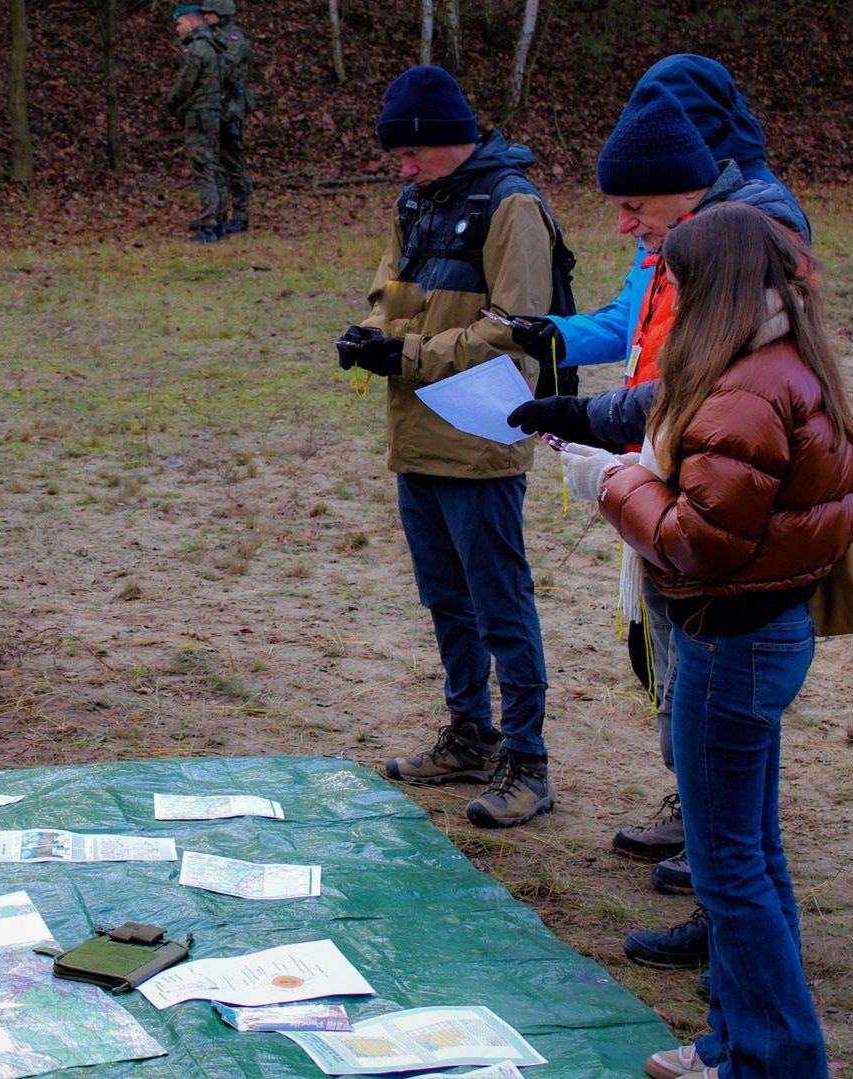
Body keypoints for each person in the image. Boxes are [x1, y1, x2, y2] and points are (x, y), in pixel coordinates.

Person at [502, 67, 810, 976]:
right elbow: (643, 340)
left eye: (637, 207)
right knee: (717, 779)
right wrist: (554, 352)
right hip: (685, 507)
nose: (628, 227)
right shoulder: (700, 254)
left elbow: (700, 509)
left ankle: (747, 1008)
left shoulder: (743, 272)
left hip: (719, 572)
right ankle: (745, 970)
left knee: (728, 799)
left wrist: (604, 469)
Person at [569, 200, 853, 1079]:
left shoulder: (748, 390)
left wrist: (611, 483)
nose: (670, 294)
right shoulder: (774, 364)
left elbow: (699, 538)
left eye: (678, 281)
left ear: (716, 286)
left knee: (729, 866)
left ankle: (774, 1059)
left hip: (731, 640)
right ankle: (740, 1041)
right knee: (751, 852)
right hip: (758, 631)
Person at [335, 66, 566, 829]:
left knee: (500, 605)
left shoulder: (513, 205)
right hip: (416, 435)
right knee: (444, 599)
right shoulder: (417, 201)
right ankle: (471, 732)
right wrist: (372, 336)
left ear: (445, 141)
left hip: (479, 437)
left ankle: (527, 763)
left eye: (409, 154)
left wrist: (407, 357)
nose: (400, 169)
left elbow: (516, 326)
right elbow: (392, 291)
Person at [165, 5, 226, 245]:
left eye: (179, 24)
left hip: (199, 115)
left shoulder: (198, 49)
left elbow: (184, 84)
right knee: (215, 168)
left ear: (191, 22)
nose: (177, 29)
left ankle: (208, 227)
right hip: (211, 114)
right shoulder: (214, 46)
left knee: (203, 170)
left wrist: (171, 103)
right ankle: (218, 221)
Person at [204, 0, 253, 236]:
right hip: (214, 105)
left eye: (210, 13)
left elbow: (225, 66)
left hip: (231, 107)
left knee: (233, 162)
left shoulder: (234, 38)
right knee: (215, 163)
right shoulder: (211, 36)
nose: (206, 17)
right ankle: (220, 215)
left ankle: (241, 215)